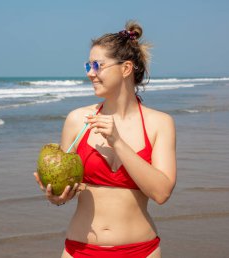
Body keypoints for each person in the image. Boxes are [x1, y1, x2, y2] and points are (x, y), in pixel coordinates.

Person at [34, 21, 176, 258]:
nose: (90, 73)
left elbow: (161, 193)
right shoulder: (77, 120)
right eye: (88, 65)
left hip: (140, 251)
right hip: (81, 250)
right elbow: (67, 184)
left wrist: (118, 142)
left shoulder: (159, 124)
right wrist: (58, 198)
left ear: (126, 68)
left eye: (97, 65)